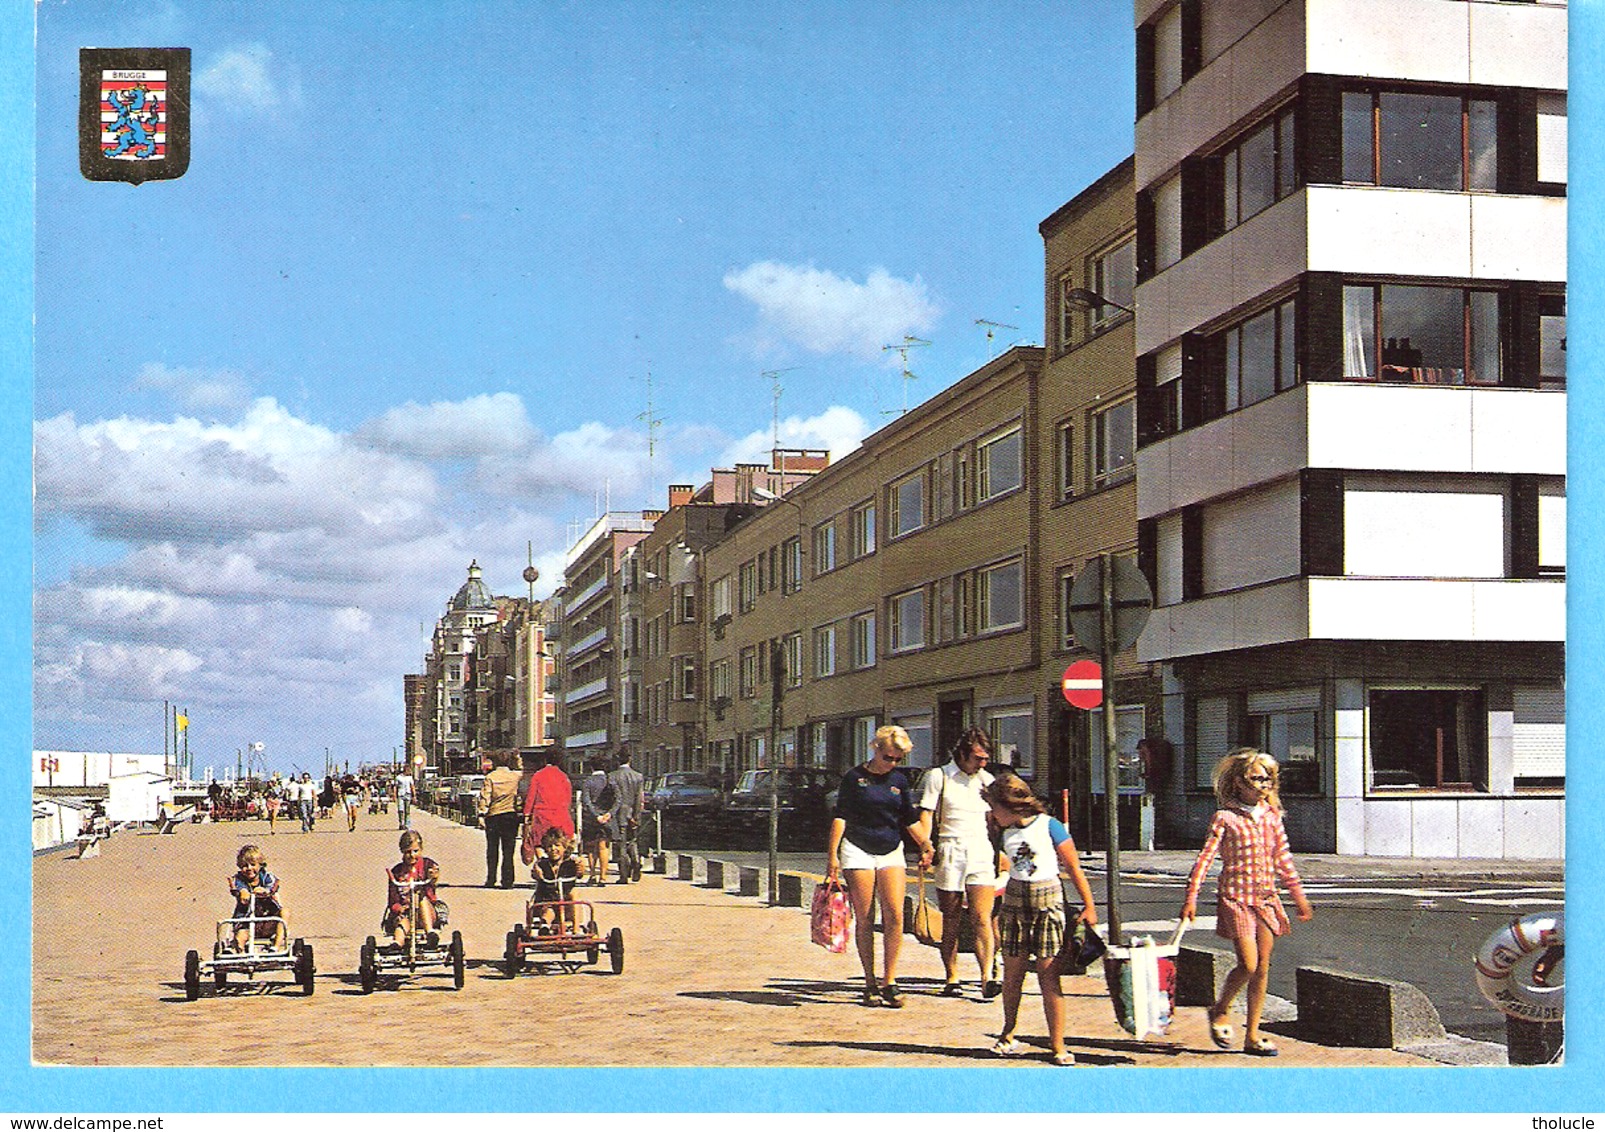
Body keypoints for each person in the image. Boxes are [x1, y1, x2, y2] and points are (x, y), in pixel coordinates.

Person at [1180, 748, 1313, 1058]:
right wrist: (1191, 897)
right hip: (1236, 897)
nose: (1263, 785)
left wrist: (1299, 897)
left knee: (1263, 968)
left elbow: (1283, 860)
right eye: (1256, 779)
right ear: (1238, 782)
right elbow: (1205, 859)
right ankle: (1221, 1009)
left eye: (1268, 779)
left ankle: (1253, 1035)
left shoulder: (1272, 816)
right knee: (1248, 964)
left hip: (1266, 898)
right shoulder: (1225, 817)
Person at [985, 772, 1098, 1067]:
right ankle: (1008, 1034)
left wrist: (1089, 905)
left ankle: (1058, 1044)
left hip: (1048, 903)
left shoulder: (1050, 826)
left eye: (995, 807)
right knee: (1013, 975)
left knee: (1049, 977)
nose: (992, 813)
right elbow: (998, 867)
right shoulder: (1000, 830)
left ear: (1011, 805)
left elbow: (1073, 867)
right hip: (1014, 903)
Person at [826, 724, 933, 1008]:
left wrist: (925, 844)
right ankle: (869, 981)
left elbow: (909, 818)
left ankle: (890, 980)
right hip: (858, 848)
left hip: (890, 849)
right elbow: (841, 817)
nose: (893, 764)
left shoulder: (899, 780)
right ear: (876, 749)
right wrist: (833, 856)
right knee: (865, 916)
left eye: (898, 759)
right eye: (888, 757)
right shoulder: (854, 778)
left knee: (895, 914)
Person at [914, 726, 1002, 1000]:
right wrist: (926, 845)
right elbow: (927, 814)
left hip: (980, 852)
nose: (983, 763)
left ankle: (987, 976)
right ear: (962, 754)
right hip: (951, 849)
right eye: (977, 757)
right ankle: (951, 976)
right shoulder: (939, 777)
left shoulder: (987, 780)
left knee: (982, 917)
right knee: (951, 918)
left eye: (985, 758)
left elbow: (994, 820)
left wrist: (1002, 851)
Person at [384, 830, 443, 950]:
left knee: (420, 897)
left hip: (425, 912)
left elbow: (432, 882)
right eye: (407, 852)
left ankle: (430, 933)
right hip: (406, 912)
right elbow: (392, 899)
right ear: (402, 852)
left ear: (421, 850)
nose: (412, 855)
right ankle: (397, 944)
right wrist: (399, 908)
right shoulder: (397, 871)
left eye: (415, 851)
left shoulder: (427, 865)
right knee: (402, 923)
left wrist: (433, 877)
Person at [521, 749, 575, 867]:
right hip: (560, 814)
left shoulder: (538, 775)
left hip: (542, 815)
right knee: (559, 841)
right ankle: (558, 866)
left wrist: (526, 814)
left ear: (545, 759)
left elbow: (531, 796)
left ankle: (543, 865)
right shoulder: (564, 776)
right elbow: (568, 799)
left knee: (538, 842)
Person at [226, 845, 286, 952]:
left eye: (253, 865)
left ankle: (275, 946)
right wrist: (242, 892)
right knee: (240, 937)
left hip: (268, 919)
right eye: (245, 865)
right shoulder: (238, 879)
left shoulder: (267, 877)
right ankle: (240, 954)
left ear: (260, 865)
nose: (249, 868)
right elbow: (237, 888)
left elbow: (273, 886)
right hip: (246, 922)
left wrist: (265, 891)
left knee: (285, 912)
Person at [478, 749, 523, 889]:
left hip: (493, 816)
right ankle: (507, 880)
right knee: (508, 850)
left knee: (492, 849)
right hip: (510, 815)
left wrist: (481, 814)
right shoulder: (516, 776)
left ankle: (491, 879)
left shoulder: (491, 778)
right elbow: (522, 773)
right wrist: (517, 758)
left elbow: (486, 797)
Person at [531, 826, 583, 932]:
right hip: (548, 900)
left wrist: (581, 867)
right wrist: (537, 873)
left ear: (564, 848)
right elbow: (535, 873)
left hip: (567, 903)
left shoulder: (570, 863)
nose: (553, 849)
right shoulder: (542, 864)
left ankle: (576, 930)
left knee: (574, 892)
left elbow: (580, 873)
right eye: (550, 846)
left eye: (557, 845)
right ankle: (545, 926)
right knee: (548, 912)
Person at [607, 749, 647, 884]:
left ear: (618, 761)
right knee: (633, 840)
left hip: (618, 814)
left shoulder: (612, 776)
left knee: (621, 845)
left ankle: (624, 875)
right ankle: (636, 861)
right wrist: (636, 816)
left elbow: (611, 797)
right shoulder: (638, 776)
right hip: (632, 813)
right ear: (630, 759)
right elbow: (639, 799)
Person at [579, 758, 615, 886]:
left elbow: (586, 801)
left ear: (591, 768)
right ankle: (603, 877)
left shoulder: (588, 781)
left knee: (590, 848)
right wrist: (609, 813)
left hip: (591, 818)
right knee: (604, 847)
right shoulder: (610, 780)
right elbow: (617, 799)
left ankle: (593, 875)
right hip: (607, 816)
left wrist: (595, 815)